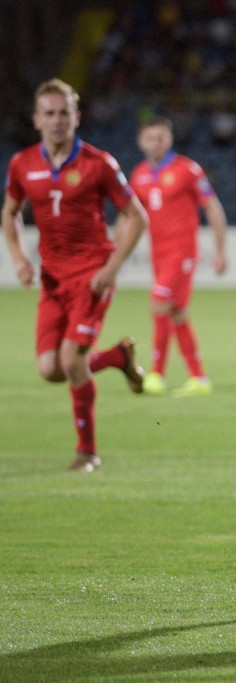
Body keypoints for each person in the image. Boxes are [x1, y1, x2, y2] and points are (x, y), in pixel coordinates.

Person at [2, 78, 148, 471]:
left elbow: (137, 217)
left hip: (91, 276)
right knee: (50, 369)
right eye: (48, 113)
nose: (56, 120)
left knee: (71, 359)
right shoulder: (22, 164)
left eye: (64, 112)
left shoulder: (99, 164)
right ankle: (118, 357)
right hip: (53, 281)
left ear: (76, 117)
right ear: (36, 120)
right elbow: (10, 212)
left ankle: (87, 452)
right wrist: (18, 256)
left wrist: (112, 267)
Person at [129, 115, 228, 397]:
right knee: (177, 312)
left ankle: (157, 374)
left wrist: (220, 249)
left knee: (158, 302)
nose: (156, 143)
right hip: (157, 255)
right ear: (140, 142)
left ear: (170, 139)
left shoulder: (187, 170)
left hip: (181, 253)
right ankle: (198, 378)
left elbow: (212, 207)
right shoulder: (139, 175)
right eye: (150, 138)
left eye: (161, 137)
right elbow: (131, 218)